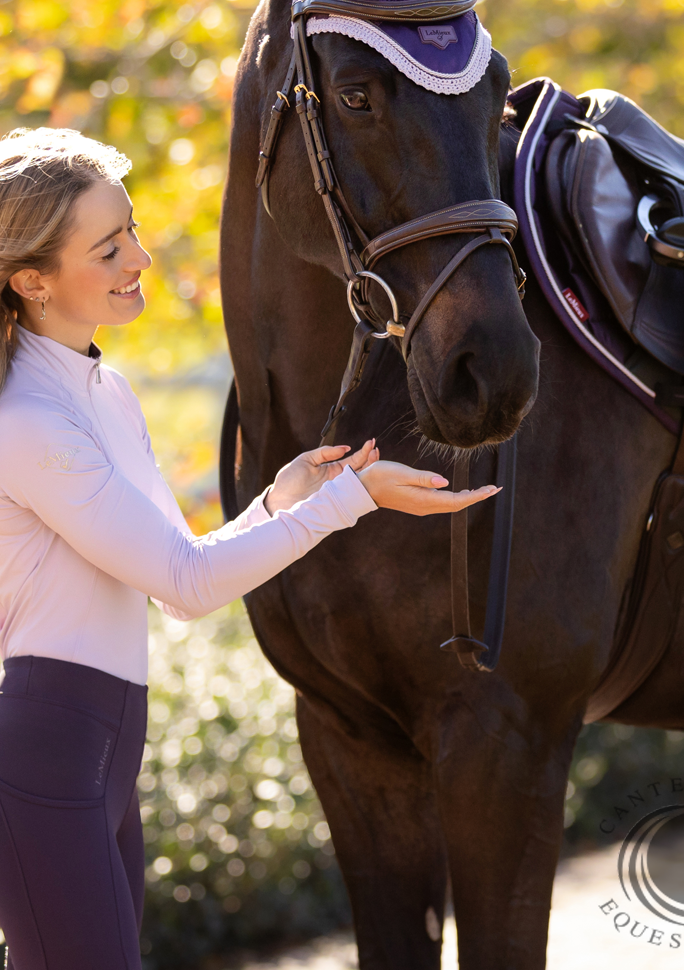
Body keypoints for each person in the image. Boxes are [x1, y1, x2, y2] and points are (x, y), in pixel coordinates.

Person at [0, 128, 497, 970]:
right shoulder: (31, 424)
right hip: (47, 747)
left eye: (134, 231)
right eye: (110, 246)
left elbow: (170, 568)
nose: (143, 258)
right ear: (32, 281)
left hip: (104, 747)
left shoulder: (104, 392)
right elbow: (189, 586)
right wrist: (347, 502)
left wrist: (283, 496)